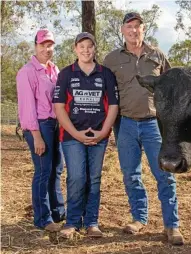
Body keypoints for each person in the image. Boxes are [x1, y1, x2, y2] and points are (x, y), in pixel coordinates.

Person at [103, 12, 184, 245]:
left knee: (165, 174)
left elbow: (172, 87)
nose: (133, 30)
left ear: (143, 29)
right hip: (125, 124)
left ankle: (172, 225)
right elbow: (105, 91)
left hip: (154, 125)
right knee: (131, 175)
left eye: (137, 26)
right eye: (129, 26)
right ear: (122, 30)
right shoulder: (111, 59)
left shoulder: (157, 55)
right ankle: (139, 218)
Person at [53, 32, 119, 238]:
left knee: (94, 179)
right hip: (72, 137)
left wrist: (103, 132)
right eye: (81, 46)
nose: (86, 50)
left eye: (89, 46)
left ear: (94, 49)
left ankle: (92, 222)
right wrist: (77, 134)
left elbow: (114, 106)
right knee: (77, 177)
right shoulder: (65, 74)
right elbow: (59, 108)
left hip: (99, 136)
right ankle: (72, 222)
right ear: (75, 49)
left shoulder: (106, 74)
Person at [16, 28, 65, 232]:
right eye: (43, 44)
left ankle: (58, 212)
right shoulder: (26, 72)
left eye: (50, 44)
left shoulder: (55, 70)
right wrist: (36, 136)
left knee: (57, 168)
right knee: (44, 170)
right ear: (35, 46)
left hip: (55, 124)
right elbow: (27, 107)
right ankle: (42, 218)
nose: (47, 48)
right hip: (40, 126)